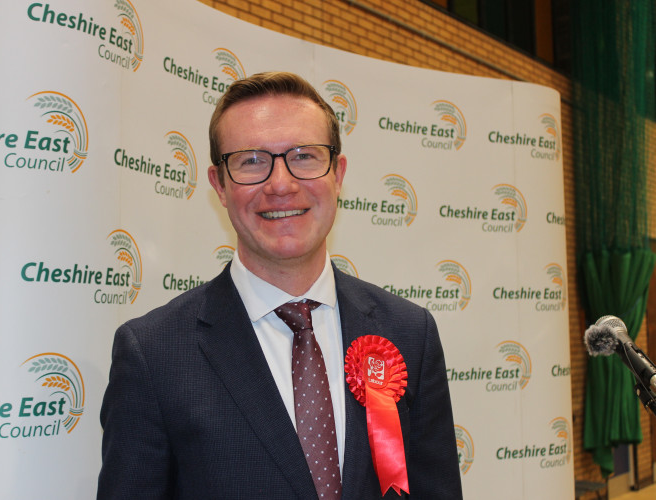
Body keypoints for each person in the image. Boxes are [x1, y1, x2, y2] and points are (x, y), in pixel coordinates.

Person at [98, 71, 462, 499]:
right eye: (251, 161)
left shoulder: (408, 334)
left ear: (338, 173)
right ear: (219, 184)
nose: (281, 184)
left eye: (304, 156)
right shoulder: (154, 354)